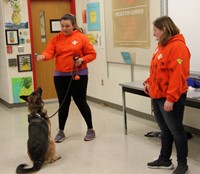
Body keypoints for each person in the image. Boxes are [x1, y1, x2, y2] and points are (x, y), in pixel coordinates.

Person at [36, 14, 96, 143]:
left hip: (79, 74)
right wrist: (43, 56)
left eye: (67, 26)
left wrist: (82, 60)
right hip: (60, 76)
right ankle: (61, 131)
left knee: (81, 102)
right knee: (63, 103)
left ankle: (90, 129)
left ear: (73, 25)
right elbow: (49, 52)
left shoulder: (81, 38)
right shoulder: (56, 39)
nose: (64, 28)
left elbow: (92, 54)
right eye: (62, 26)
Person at [144, 16, 190, 174]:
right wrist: (149, 82)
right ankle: (164, 160)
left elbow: (179, 75)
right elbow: (156, 69)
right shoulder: (161, 46)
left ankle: (183, 164)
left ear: (164, 30)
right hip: (157, 95)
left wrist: (171, 99)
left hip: (170, 97)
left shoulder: (178, 47)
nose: (154, 33)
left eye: (155, 30)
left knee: (177, 131)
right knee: (165, 130)